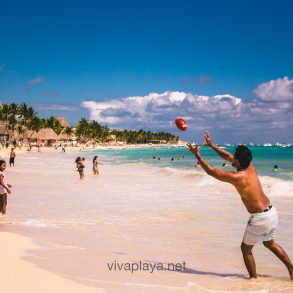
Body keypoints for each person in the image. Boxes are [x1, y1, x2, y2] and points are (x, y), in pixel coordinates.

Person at [187, 130, 293, 280]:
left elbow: (211, 172)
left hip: (260, 217)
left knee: (245, 249)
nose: (232, 157)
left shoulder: (237, 177)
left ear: (237, 161)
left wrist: (197, 155)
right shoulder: (250, 167)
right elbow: (227, 156)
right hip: (271, 212)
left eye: (234, 157)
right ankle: (291, 268)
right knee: (270, 243)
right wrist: (211, 145)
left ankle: (254, 280)